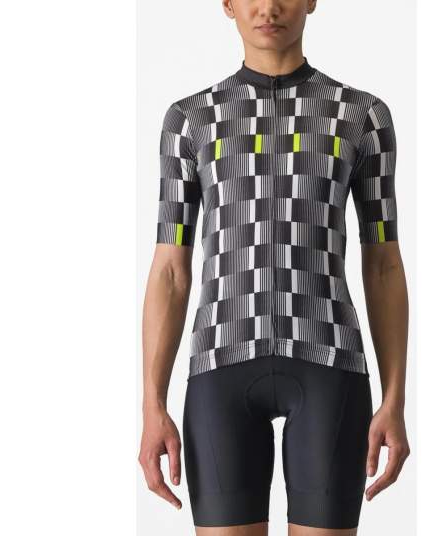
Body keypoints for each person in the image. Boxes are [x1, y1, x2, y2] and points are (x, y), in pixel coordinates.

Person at [139, 1, 410, 534]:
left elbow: (383, 262)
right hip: (220, 364)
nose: (268, 7)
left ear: (311, 0)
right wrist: (152, 405)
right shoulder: (190, 120)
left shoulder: (361, 116)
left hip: (329, 362)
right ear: (228, 4)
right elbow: (170, 268)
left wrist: (395, 400)